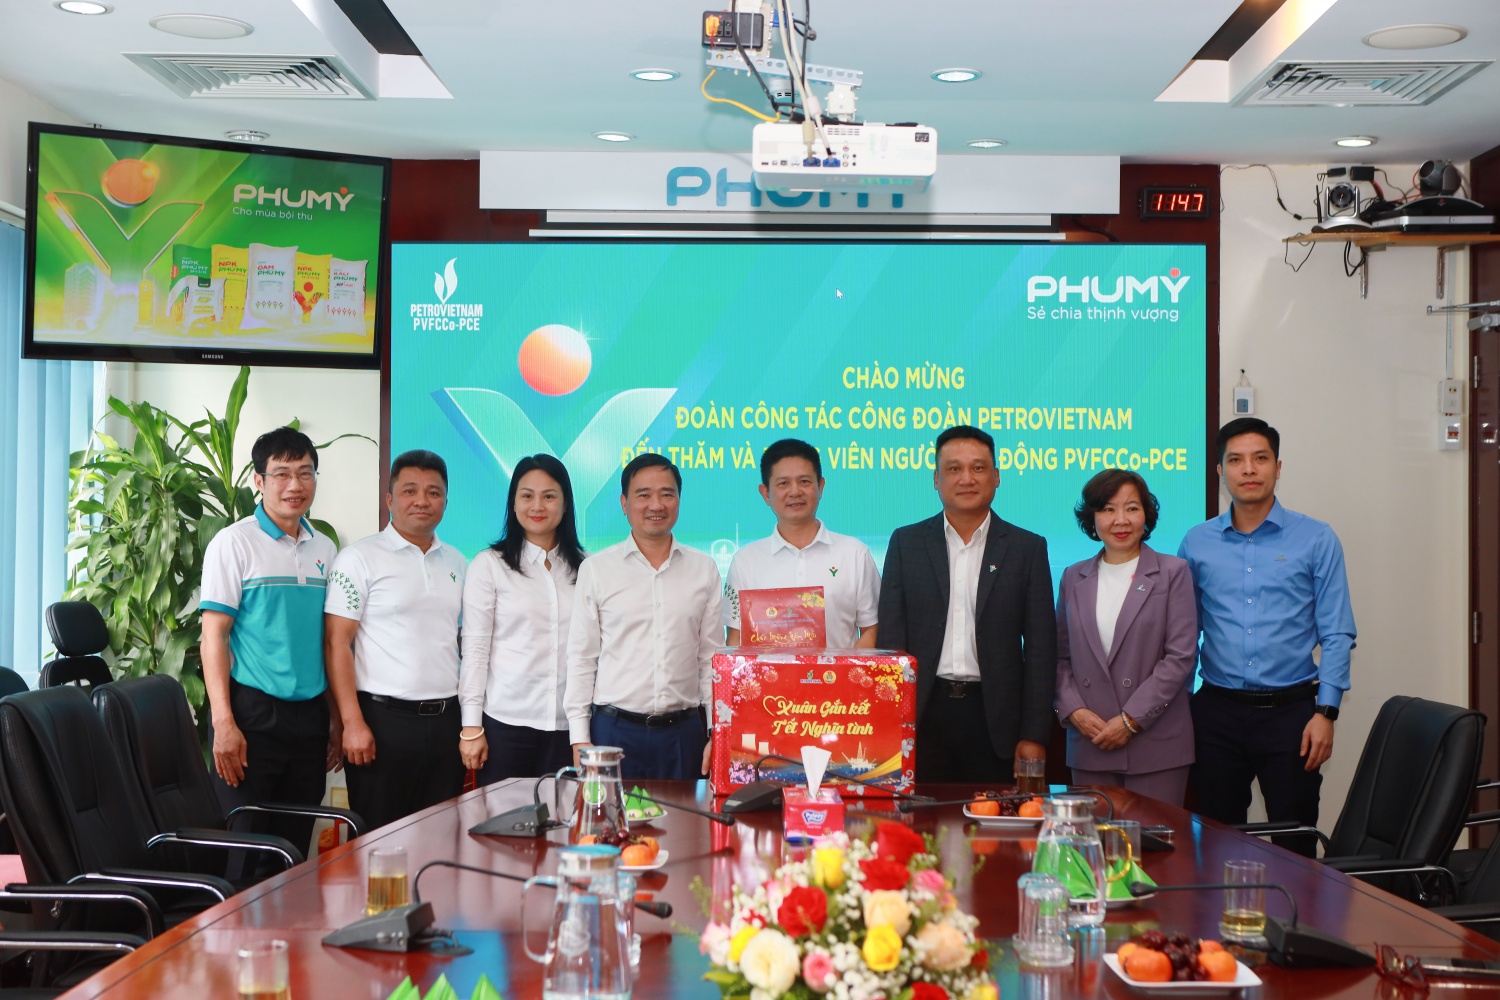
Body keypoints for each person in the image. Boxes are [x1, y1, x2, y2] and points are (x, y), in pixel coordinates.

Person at [1178, 417, 1355, 852]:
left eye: (1260, 458)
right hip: (1216, 714)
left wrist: (1326, 712)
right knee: (1216, 843)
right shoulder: (1197, 542)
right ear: (1220, 471)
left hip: (1293, 716)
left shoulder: (1316, 539)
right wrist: (1179, 706)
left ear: (1278, 467)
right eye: (1236, 460)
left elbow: (1337, 632)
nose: (1249, 469)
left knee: (1294, 846)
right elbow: (1184, 633)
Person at [878, 425, 1057, 783]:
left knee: (993, 817)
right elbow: (891, 641)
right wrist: (890, 722)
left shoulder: (1027, 549)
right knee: (921, 815)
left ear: (996, 476)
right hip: (923, 713)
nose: (966, 478)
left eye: (978, 468)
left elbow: (1041, 649)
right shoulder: (906, 543)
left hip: (995, 720)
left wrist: (1034, 734)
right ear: (936, 479)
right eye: (954, 468)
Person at [200, 426, 340, 851]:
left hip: (310, 718)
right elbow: (213, 636)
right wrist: (223, 722)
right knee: (244, 849)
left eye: (305, 473)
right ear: (258, 481)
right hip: (253, 715)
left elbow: (328, 642)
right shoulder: (233, 543)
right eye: (282, 474)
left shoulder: (325, 549)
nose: (295, 485)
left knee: (292, 849)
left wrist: (335, 718)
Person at [323, 450, 468, 831]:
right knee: (378, 841)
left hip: (446, 723)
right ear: (389, 499)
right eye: (409, 491)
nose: (422, 501)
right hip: (382, 723)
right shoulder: (359, 558)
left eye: (434, 492)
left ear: (446, 501)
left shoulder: (457, 562)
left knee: (440, 838)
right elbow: (336, 644)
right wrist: (352, 723)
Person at [566, 454, 722, 781]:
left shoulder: (703, 569)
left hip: (683, 734)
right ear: (624, 503)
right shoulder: (597, 569)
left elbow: (711, 660)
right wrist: (579, 737)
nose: (656, 505)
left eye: (667, 494)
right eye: (643, 494)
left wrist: (717, 731)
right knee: (611, 816)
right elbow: (582, 657)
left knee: (686, 816)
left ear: (679, 500)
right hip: (613, 731)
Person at [1054, 469, 1198, 805]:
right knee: (1093, 838)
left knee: (1154, 838)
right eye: (1108, 509)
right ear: (1092, 518)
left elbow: (1180, 658)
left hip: (1156, 745)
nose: (1121, 520)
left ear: (1146, 515)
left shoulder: (1173, 572)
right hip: (1091, 740)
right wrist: (1074, 710)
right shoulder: (1073, 577)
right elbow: (1059, 657)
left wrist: (1131, 720)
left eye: (1132, 508)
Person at [459, 454, 585, 783]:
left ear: (565, 504)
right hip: (506, 726)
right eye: (527, 495)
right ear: (513, 503)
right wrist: (471, 726)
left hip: (569, 729)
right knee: (505, 816)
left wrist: (582, 731)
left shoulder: (587, 568)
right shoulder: (490, 565)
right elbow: (475, 649)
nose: (537, 506)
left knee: (564, 815)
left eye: (549, 496)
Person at [723, 438, 880, 649]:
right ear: (765, 493)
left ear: (820, 486)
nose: (795, 491)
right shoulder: (745, 561)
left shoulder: (854, 554)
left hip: (840, 672)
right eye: (783, 483)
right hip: (767, 673)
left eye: (804, 481)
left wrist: (847, 670)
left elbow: (872, 629)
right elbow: (735, 639)